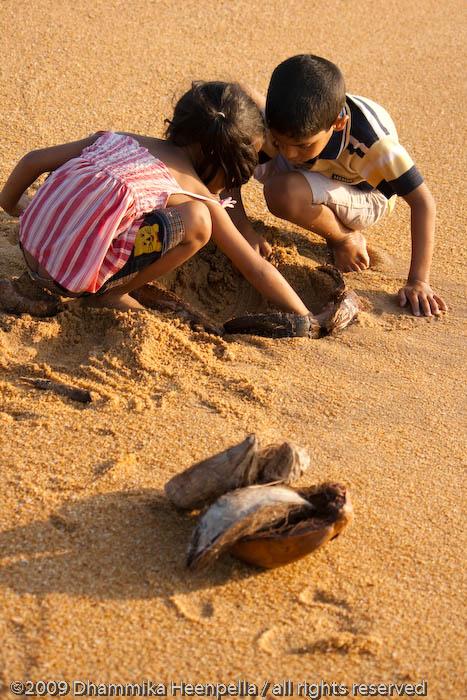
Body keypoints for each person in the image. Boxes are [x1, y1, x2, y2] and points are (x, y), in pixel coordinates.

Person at [0, 81, 309, 316]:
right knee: (198, 221)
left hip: (30, 243)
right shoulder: (195, 191)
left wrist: (12, 205)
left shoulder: (116, 139)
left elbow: (32, 161)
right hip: (66, 280)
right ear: (227, 161)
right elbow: (255, 267)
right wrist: (305, 316)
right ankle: (111, 295)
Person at [228, 56, 447, 317]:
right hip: (311, 167)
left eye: (303, 145)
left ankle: (344, 237)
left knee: (282, 193)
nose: (288, 153)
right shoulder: (287, 132)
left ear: (338, 124)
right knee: (236, 142)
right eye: (279, 141)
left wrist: (419, 281)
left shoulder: (375, 145)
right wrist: (243, 230)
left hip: (365, 192)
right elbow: (235, 161)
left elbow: (423, 203)